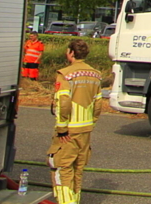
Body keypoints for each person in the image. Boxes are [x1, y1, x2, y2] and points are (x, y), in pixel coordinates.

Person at [47, 39, 102, 204]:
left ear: (71, 53)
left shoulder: (64, 74)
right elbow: (98, 104)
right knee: (78, 169)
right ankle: (75, 200)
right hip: (85, 130)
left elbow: (64, 103)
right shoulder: (96, 74)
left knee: (61, 167)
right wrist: (90, 123)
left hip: (68, 131)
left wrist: (62, 128)